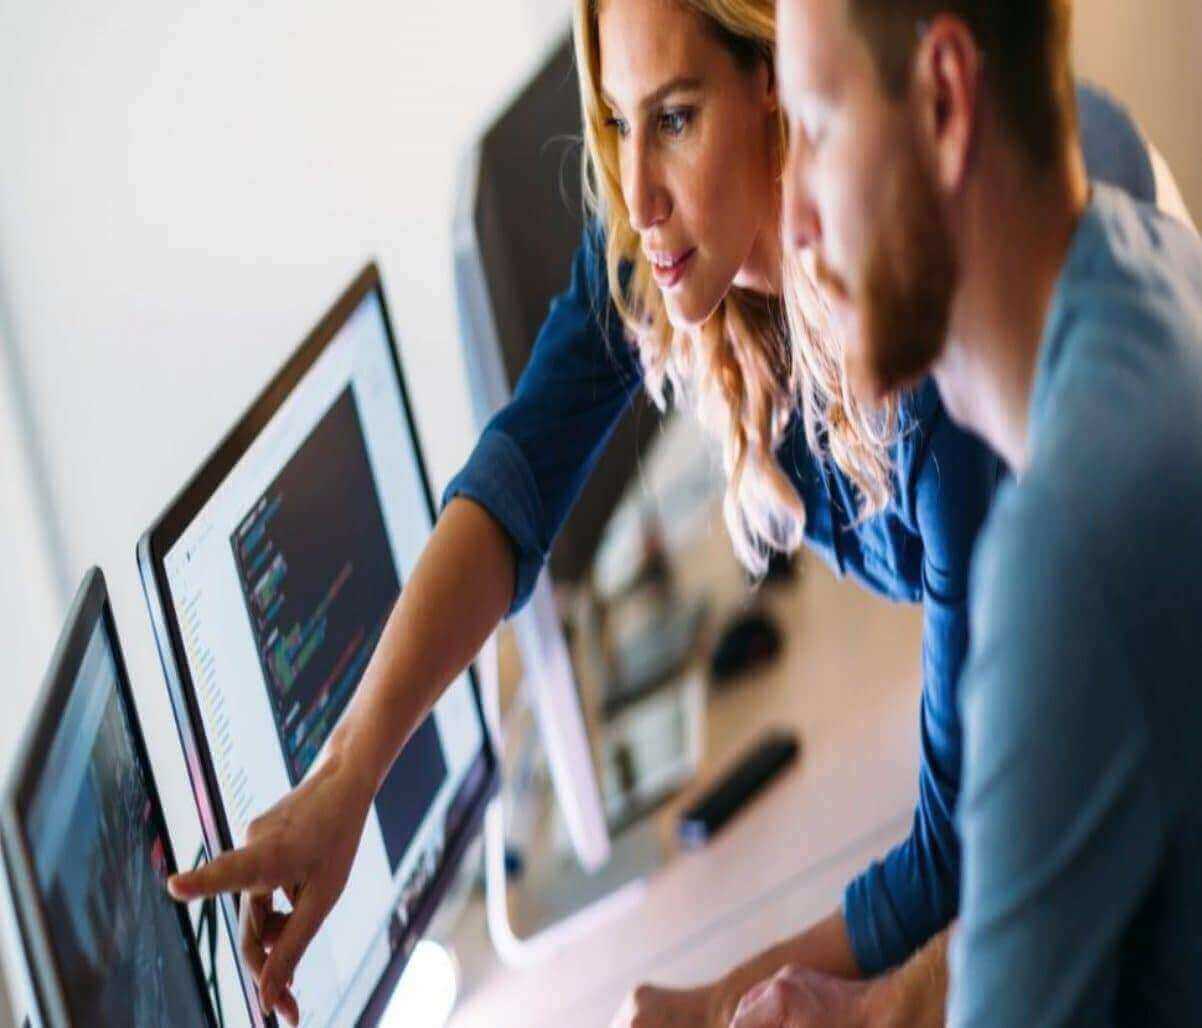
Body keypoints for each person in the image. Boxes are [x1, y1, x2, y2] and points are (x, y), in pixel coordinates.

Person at [165, 2, 1170, 1025]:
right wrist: (348, 770)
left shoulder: (938, 351)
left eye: (677, 117)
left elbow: (968, 860)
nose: (635, 197)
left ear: (774, 83)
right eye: (614, 124)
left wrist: (718, 1003)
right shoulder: (696, 246)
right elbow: (520, 471)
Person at [727, 0, 1202, 1025]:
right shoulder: (1136, 259)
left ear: (942, 99)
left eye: (813, 126)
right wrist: (870, 1011)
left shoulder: (1065, 542)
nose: (794, 216)